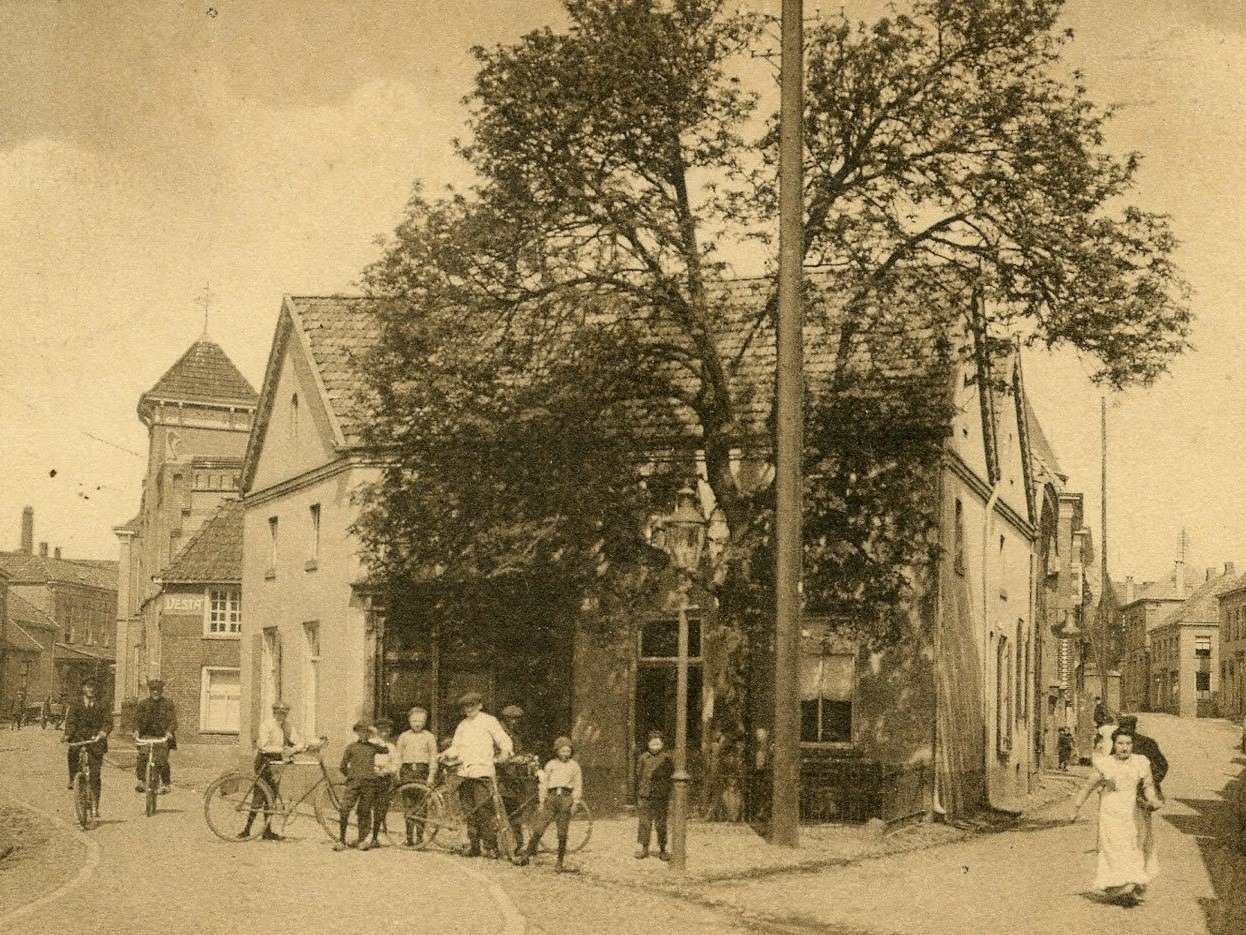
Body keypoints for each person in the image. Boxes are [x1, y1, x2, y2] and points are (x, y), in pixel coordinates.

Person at [1071, 728, 1162, 906]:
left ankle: (1129, 883)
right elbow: (1089, 786)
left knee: (1134, 846)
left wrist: (1152, 800)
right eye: (1120, 743)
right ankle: (1122, 884)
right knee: (1114, 848)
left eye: (1128, 743)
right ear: (1114, 745)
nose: (1124, 747)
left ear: (1133, 745)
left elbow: (1148, 786)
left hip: (1133, 811)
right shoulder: (1105, 764)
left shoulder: (1141, 762)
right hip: (1111, 811)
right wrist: (1076, 808)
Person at [442, 691, 513, 858]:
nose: (469, 709)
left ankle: (490, 846)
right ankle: (474, 846)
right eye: (466, 707)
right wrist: (446, 754)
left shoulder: (489, 721)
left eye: (472, 705)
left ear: (480, 705)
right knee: (469, 810)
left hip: (482, 772)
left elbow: (503, 739)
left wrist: (505, 752)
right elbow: (456, 747)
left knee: (484, 809)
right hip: (464, 772)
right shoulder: (462, 725)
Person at [514, 736, 583, 872]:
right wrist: (542, 800)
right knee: (539, 828)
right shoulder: (551, 765)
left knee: (562, 832)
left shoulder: (574, 766)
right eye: (562, 751)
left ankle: (559, 862)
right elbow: (544, 784)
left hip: (565, 798)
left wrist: (575, 802)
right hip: (551, 798)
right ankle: (525, 856)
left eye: (568, 751)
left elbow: (578, 785)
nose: (565, 754)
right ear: (557, 751)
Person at [241, 700, 306, 840]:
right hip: (264, 761)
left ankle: (267, 831)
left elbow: (299, 741)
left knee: (272, 797)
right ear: (274, 713)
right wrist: (283, 749)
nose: (282, 716)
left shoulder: (288, 726)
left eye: (284, 714)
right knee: (259, 796)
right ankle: (246, 830)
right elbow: (263, 746)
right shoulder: (266, 725)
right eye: (279, 713)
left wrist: (295, 748)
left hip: (277, 763)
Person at [62, 680, 110, 816]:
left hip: (96, 740)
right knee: (72, 752)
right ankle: (73, 778)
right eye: (88, 687)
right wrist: (68, 735)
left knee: (95, 774)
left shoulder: (102, 705)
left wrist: (103, 732)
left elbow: (108, 721)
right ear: (83, 688)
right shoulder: (76, 705)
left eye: (93, 687)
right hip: (79, 737)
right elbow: (71, 722)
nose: (91, 689)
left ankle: (95, 805)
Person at [335, 719, 384, 851]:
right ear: (357, 732)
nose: (364, 734)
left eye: (367, 732)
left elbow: (385, 750)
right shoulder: (351, 747)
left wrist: (376, 735)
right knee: (344, 809)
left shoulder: (373, 747)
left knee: (364, 811)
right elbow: (342, 766)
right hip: (354, 783)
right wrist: (351, 777)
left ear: (369, 733)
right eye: (361, 731)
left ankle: (362, 840)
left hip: (369, 783)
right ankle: (341, 840)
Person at [395, 706, 438, 847]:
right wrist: (397, 771)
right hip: (407, 771)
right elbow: (398, 755)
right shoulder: (403, 736)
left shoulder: (429, 737)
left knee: (422, 805)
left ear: (425, 722)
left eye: (420, 721)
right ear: (409, 721)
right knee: (408, 805)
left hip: (422, 771)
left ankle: (419, 838)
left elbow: (433, 756)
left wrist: (431, 775)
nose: (417, 724)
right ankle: (409, 838)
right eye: (414, 721)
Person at [498, 704, 532, 856]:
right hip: (500, 777)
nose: (514, 722)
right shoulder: (499, 735)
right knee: (500, 811)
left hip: (512, 778)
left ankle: (518, 845)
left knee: (515, 811)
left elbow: (518, 751)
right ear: (505, 719)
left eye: (517, 719)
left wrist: (525, 757)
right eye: (511, 719)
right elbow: (496, 756)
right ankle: (496, 845)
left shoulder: (515, 735)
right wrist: (513, 760)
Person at [635, 730, 674, 860]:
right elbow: (638, 774)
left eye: (658, 744)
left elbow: (670, 775)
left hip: (661, 795)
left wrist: (666, 790)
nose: (655, 747)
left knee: (661, 823)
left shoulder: (666, 759)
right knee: (644, 822)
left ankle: (662, 849)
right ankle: (644, 848)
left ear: (662, 745)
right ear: (648, 744)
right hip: (645, 795)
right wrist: (642, 789)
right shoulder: (643, 758)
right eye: (653, 744)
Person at [134, 679, 177, 793]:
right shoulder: (143, 704)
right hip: (146, 736)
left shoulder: (167, 704)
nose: (155, 692)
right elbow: (136, 720)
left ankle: (165, 784)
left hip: (162, 737)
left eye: (158, 690)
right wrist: (136, 731)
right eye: (153, 690)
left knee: (162, 760)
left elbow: (173, 721)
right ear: (150, 691)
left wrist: (169, 732)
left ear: (161, 691)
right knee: (142, 757)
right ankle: (141, 781)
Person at [366, 717, 399, 849]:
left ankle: (374, 837)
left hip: (384, 779)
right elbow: (365, 761)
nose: (384, 733)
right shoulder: (369, 744)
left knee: (380, 809)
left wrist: (386, 770)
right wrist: (373, 770)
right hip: (370, 778)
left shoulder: (391, 747)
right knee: (366, 807)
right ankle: (364, 836)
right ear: (376, 731)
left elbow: (395, 764)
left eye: (387, 730)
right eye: (381, 730)